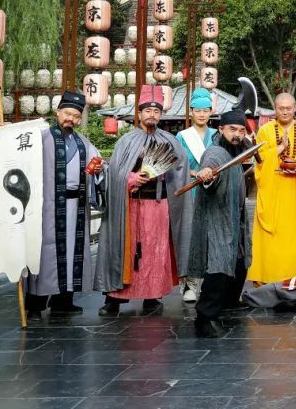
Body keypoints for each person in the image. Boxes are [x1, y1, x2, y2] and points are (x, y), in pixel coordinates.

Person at [95, 85, 191, 316]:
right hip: (130, 206)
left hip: (159, 206)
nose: (152, 115)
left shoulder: (169, 141)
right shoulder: (126, 141)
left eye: (156, 111)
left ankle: (152, 296)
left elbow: (181, 170)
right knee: (125, 250)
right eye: (147, 110)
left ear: (161, 115)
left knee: (155, 253)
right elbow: (113, 172)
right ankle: (113, 299)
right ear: (139, 113)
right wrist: (131, 178)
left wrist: (166, 174)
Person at [24, 90, 103, 319]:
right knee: (44, 254)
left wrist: (99, 170)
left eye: (76, 116)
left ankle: (63, 301)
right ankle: (35, 304)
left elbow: (99, 165)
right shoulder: (40, 139)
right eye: (67, 114)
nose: (71, 119)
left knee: (72, 253)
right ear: (57, 112)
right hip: (46, 208)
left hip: (75, 206)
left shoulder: (83, 143)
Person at [188, 109, 253, 338]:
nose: (237, 135)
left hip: (235, 217)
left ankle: (229, 301)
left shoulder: (235, 150)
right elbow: (210, 164)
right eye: (232, 130)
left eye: (241, 130)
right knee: (218, 266)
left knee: (239, 262)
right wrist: (206, 173)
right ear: (221, 129)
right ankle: (205, 317)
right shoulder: (216, 151)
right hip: (218, 220)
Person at [248, 92, 296, 284]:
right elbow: (260, 161)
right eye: (281, 108)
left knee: (294, 241)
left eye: (289, 108)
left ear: (295, 108)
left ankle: (293, 280)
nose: (285, 112)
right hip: (272, 192)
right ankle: (267, 280)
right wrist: (278, 150)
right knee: (269, 240)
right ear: (275, 109)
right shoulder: (265, 131)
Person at [175, 87, 218, 304]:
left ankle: (211, 283)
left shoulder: (217, 135)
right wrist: (194, 173)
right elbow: (176, 164)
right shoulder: (182, 136)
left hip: (214, 190)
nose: (202, 114)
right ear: (191, 111)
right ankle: (190, 284)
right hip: (191, 190)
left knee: (212, 237)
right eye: (198, 110)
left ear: (211, 112)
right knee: (191, 237)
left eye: (206, 110)